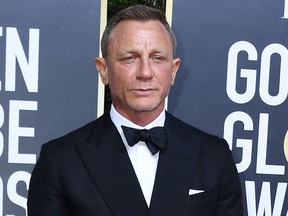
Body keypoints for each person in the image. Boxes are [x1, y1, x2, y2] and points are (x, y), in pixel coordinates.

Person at [27, 4, 243, 216]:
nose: (145, 73)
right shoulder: (60, 161)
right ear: (103, 70)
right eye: (130, 58)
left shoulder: (214, 157)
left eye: (157, 58)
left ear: (174, 70)